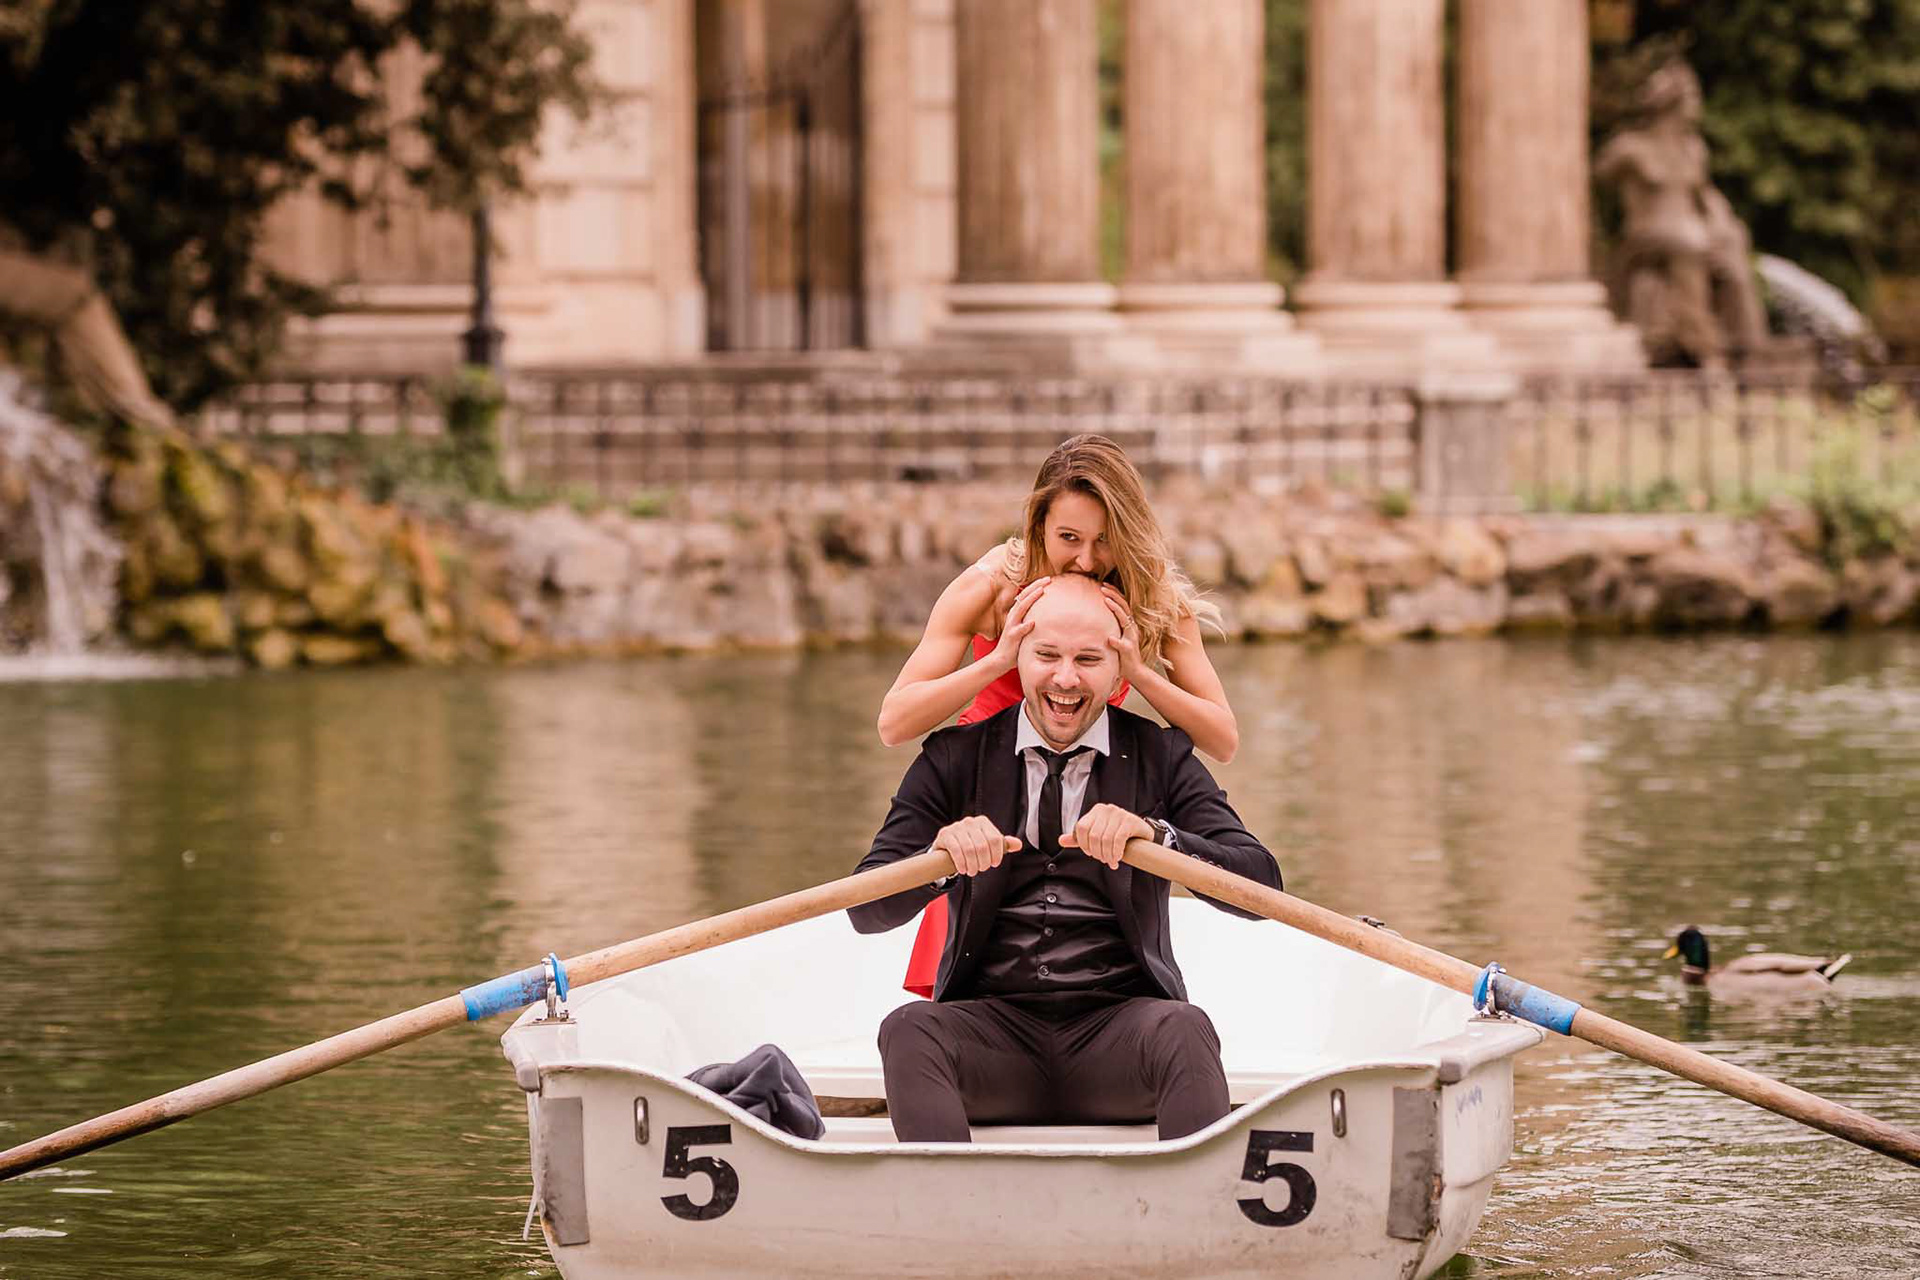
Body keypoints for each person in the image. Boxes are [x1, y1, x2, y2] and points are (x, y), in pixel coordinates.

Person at [848, 575, 1281, 1143]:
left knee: (1185, 1027)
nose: (1066, 678)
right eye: (1047, 655)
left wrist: (1160, 838)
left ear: (1118, 666)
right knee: (908, 1029)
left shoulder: (1162, 754)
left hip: (1122, 1034)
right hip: (991, 1037)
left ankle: (1199, 1216)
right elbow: (866, 909)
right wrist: (939, 859)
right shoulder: (954, 757)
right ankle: (951, 1211)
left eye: (1089, 659)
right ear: (1016, 656)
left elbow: (1262, 887)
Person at [877, 434, 1239, 995]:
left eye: (1105, 541)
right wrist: (998, 658)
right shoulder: (990, 587)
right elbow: (894, 723)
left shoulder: (1151, 598)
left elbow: (1222, 739)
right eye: (1068, 538)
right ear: (1037, 526)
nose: (1087, 560)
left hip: (1087, 797)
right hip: (988, 795)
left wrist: (1139, 672)